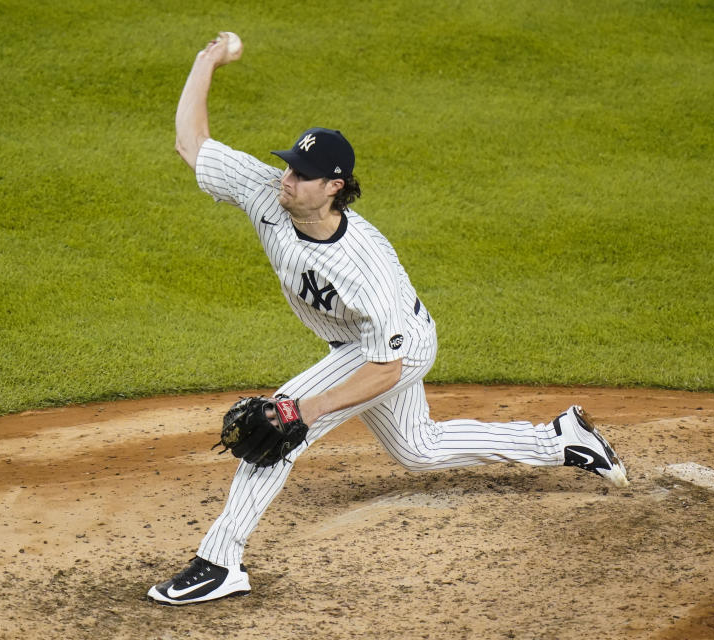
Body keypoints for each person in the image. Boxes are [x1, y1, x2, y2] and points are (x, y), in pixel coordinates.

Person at [147, 32, 629, 606]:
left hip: (392, 349)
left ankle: (219, 561)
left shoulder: (366, 267)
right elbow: (190, 143)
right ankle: (561, 441)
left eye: (302, 174)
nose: (286, 178)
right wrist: (208, 59)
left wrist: (302, 410)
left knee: (277, 434)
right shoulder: (264, 193)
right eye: (288, 167)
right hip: (359, 344)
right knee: (417, 449)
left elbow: (384, 368)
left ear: (335, 187)